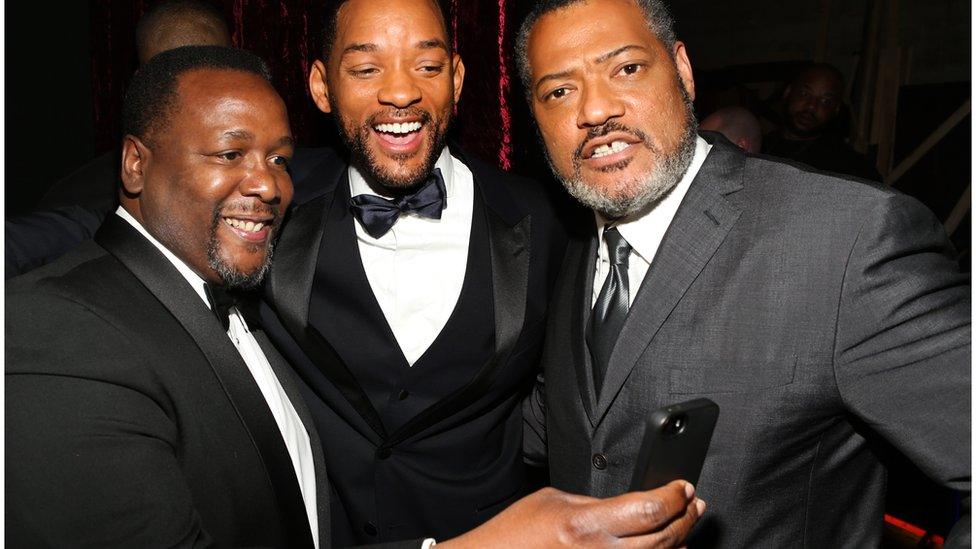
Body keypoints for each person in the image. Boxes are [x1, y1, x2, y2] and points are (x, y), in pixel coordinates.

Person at [6, 43, 704, 549]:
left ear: (456, 79)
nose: (268, 183)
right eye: (229, 153)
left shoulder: (229, 292)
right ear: (133, 163)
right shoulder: (57, 334)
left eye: (279, 159)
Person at [515, 0, 970, 547]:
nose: (595, 110)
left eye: (627, 69)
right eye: (559, 91)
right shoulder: (563, 241)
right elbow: (554, 430)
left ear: (682, 69)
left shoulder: (847, 238)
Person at [257, 0, 574, 544]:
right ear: (321, 85)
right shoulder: (271, 206)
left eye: (427, 67)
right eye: (366, 68)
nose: (401, 92)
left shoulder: (546, 218)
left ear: (456, 79)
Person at [5, 0, 235, 280]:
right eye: (171, 79)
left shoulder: (292, 182)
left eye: (214, 75)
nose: (196, 96)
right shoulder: (85, 196)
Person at [762, 63, 882, 181]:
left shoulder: (850, 166)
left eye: (825, 101)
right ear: (788, 92)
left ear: (836, 109)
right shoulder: (757, 147)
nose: (811, 106)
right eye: (805, 94)